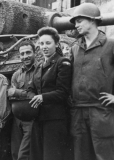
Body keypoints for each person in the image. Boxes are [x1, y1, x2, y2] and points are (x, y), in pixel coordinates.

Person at [69, 3, 114, 160]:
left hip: (100, 110)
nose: (76, 25)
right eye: (75, 22)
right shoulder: (75, 48)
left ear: (92, 20)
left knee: (105, 155)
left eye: (79, 20)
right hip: (78, 112)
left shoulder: (113, 45)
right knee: (81, 155)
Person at [28, 27, 72, 160]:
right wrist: (33, 98)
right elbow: (30, 89)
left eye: (48, 43)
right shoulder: (39, 66)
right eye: (41, 44)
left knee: (52, 156)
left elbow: (63, 92)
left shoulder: (62, 63)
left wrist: (42, 97)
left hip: (55, 120)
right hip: (39, 118)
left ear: (57, 44)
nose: (44, 47)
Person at [8, 40, 37, 160]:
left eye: (28, 52)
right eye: (22, 54)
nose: (25, 56)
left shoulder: (39, 70)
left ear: (35, 52)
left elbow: (37, 95)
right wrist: (18, 93)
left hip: (32, 119)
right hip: (17, 118)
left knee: (24, 155)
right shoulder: (16, 75)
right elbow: (10, 95)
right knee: (15, 152)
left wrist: (17, 92)